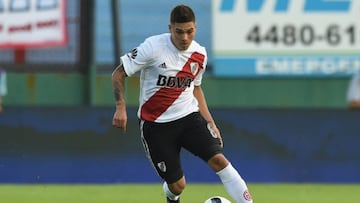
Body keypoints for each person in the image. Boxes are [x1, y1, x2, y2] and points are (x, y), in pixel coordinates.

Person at [111, 4, 253, 203]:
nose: (185, 37)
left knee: (220, 161)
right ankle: (172, 197)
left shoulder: (199, 54)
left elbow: (196, 88)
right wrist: (120, 108)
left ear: (195, 28)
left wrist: (210, 123)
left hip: (189, 119)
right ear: (170, 28)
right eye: (179, 32)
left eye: (190, 31)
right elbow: (118, 73)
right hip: (156, 127)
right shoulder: (152, 48)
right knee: (178, 185)